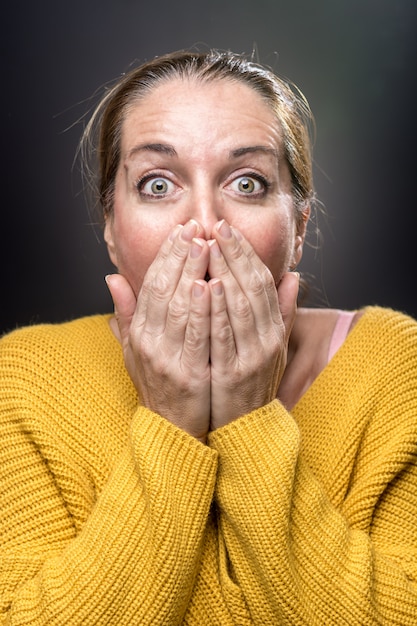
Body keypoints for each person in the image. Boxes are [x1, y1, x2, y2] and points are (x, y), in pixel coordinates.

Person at [1, 49, 416, 625]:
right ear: (111, 229)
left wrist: (250, 419)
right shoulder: (24, 377)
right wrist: (172, 424)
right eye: (156, 184)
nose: (203, 225)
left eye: (246, 183)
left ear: (298, 228)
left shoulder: (397, 366)